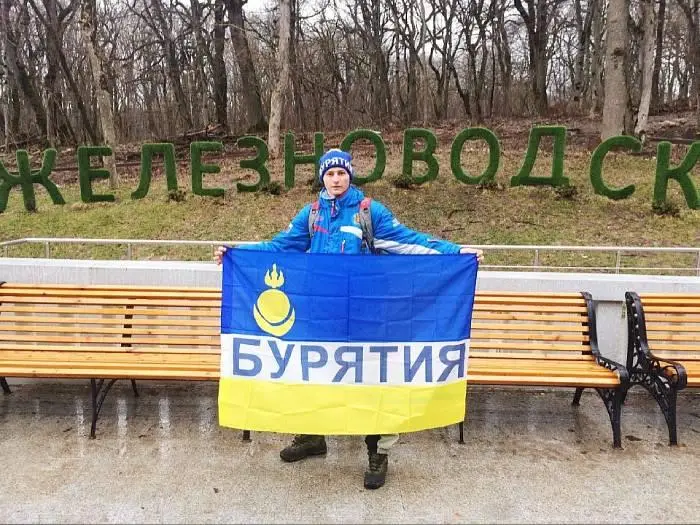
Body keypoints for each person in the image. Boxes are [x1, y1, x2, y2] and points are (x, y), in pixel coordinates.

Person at [215, 148, 483, 490]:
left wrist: (456, 252)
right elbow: (279, 246)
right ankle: (312, 436)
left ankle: (378, 451)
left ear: (350, 175)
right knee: (314, 372)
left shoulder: (369, 212)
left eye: (341, 173)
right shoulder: (311, 214)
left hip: (365, 313)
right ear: (322, 178)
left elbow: (410, 242)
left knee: (371, 380)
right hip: (321, 311)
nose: (336, 179)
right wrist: (236, 251)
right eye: (330, 174)